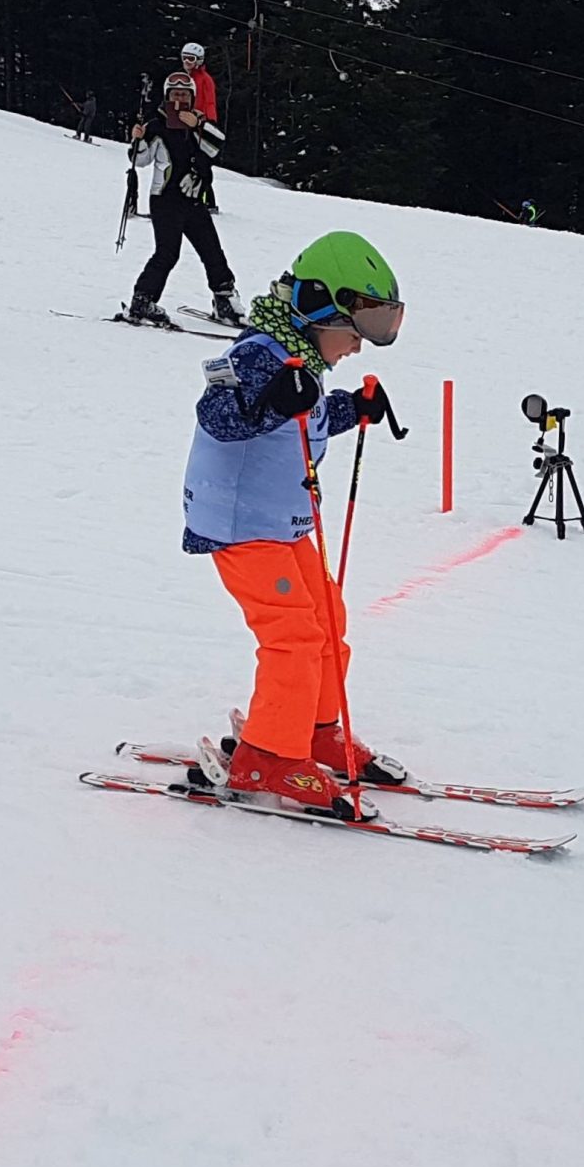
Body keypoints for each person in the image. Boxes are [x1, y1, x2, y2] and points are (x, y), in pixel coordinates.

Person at [181, 232, 408, 819]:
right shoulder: (256, 352)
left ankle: (315, 728)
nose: (356, 349)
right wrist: (279, 401)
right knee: (293, 636)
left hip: (282, 523)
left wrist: (349, 410)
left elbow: (300, 417)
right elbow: (218, 416)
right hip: (240, 525)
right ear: (316, 310)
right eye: (353, 335)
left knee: (327, 619)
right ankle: (269, 757)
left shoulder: (302, 358)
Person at [123, 70, 238, 327]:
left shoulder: (198, 124)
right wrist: (138, 139)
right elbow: (140, 160)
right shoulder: (157, 125)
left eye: (185, 95)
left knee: (212, 250)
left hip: (194, 198)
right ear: (167, 96)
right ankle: (142, 300)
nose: (179, 100)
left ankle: (225, 299)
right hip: (165, 199)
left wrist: (199, 125)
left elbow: (215, 148)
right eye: (175, 94)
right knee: (167, 252)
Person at [180, 41, 218, 123]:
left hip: (198, 118)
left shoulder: (205, 79)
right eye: (184, 57)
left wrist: (210, 120)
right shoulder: (182, 77)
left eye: (191, 59)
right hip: (184, 118)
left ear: (199, 60)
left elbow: (210, 101)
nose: (186, 61)